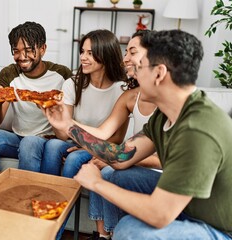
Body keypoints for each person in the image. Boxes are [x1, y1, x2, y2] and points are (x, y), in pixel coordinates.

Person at [45, 30, 232, 239]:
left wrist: (96, 184)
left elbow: (160, 214)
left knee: (131, 229)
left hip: (222, 229)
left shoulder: (198, 129)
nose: (133, 73)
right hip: (191, 207)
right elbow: (120, 157)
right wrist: (68, 126)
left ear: (159, 73)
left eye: (140, 67)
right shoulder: (164, 116)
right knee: (118, 177)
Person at [72, 30, 160, 240]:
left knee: (111, 172)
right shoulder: (130, 97)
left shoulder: (170, 101)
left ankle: (111, 234)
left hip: (162, 171)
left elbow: (168, 160)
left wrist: (120, 160)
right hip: (137, 160)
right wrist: (66, 123)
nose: (125, 59)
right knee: (97, 166)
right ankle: (102, 235)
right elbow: (103, 132)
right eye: (125, 52)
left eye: (132, 52)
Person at [0, 21, 73, 171]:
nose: (22, 57)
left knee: (30, 142)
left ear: (43, 49)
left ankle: (27, 193)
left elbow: (70, 119)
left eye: (28, 50)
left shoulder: (62, 74)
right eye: (16, 51)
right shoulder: (9, 74)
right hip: (17, 138)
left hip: (48, 140)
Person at [39, 29, 128, 178]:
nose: (83, 57)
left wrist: (88, 148)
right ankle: (47, 196)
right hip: (74, 142)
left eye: (90, 53)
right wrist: (53, 116)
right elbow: (62, 135)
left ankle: (68, 201)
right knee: (53, 145)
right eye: (82, 51)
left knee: (74, 158)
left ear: (106, 55)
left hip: (103, 147)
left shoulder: (122, 90)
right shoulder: (72, 84)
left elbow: (118, 138)